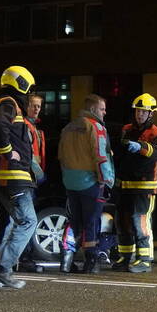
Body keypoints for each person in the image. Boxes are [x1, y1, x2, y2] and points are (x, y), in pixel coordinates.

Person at [0, 66, 38, 289]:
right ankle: (1, 269)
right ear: (21, 84)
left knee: (4, 221)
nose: (28, 94)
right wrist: (8, 151)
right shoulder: (8, 104)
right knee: (28, 221)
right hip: (11, 173)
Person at [58, 93, 113, 275]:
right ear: (92, 109)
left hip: (70, 181)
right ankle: (90, 263)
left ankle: (66, 260)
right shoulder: (95, 127)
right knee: (91, 222)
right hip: (90, 182)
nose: (105, 112)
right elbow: (100, 156)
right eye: (102, 109)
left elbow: (61, 155)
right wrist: (106, 180)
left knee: (74, 222)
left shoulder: (68, 128)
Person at [113, 93, 157, 274]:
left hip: (144, 186)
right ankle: (125, 257)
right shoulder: (126, 129)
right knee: (123, 222)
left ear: (151, 114)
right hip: (125, 184)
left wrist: (141, 147)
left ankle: (144, 259)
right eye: (138, 111)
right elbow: (119, 154)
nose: (140, 115)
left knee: (140, 222)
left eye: (144, 112)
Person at [17, 93, 47, 272]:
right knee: (27, 220)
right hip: (27, 178)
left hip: (31, 179)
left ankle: (23, 257)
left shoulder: (33, 127)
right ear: (26, 106)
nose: (37, 109)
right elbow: (29, 156)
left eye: (39, 106)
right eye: (34, 105)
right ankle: (24, 258)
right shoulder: (25, 126)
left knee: (25, 219)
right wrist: (39, 173)